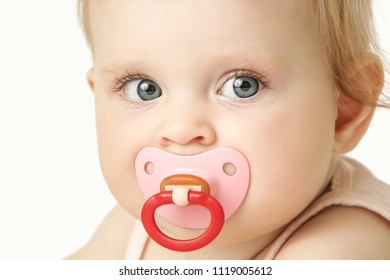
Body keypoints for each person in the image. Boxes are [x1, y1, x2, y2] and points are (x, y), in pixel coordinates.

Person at [66, 0, 390, 259]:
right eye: (143, 88)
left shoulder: (342, 248)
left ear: (345, 110)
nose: (180, 129)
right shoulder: (132, 228)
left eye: (242, 86)